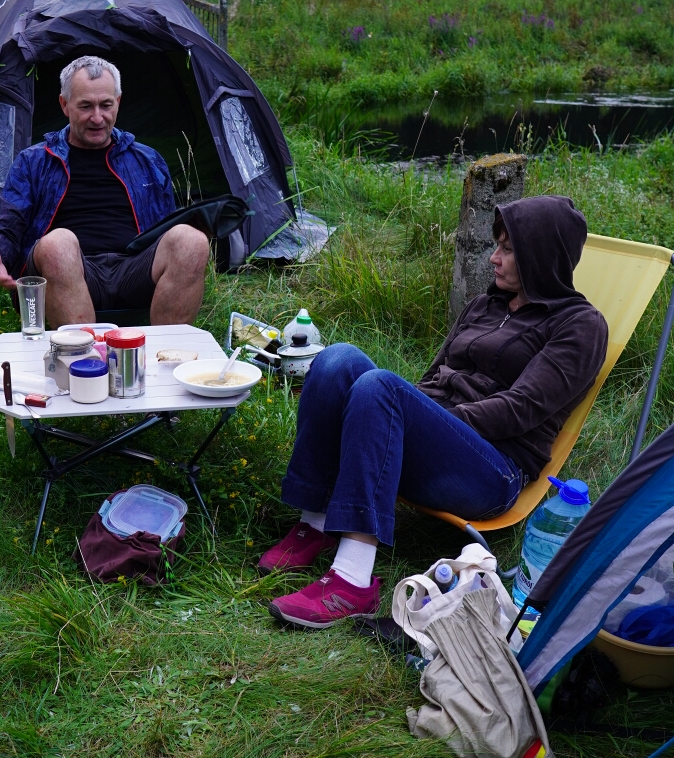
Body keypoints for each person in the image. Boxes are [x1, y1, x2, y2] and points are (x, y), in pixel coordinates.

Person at [259, 194, 608, 629]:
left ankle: (352, 579)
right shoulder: (485, 305)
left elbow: (521, 409)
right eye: (496, 246)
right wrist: (409, 418)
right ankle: (315, 522)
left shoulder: (580, 325)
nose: (494, 258)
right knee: (337, 360)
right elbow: (430, 380)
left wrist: (423, 420)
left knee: (381, 387)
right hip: (440, 447)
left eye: (508, 249)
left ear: (541, 256)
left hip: (494, 469)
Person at [0, 55, 211, 327]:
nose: (98, 118)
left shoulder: (148, 160)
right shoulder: (34, 162)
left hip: (133, 271)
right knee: (58, 243)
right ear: (64, 105)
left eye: (106, 105)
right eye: (86, 106)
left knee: (191, 240)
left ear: (118, 102)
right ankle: (82, 351)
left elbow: (167, 229)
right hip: (68, 271)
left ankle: (167, 350)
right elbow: (9, 223)